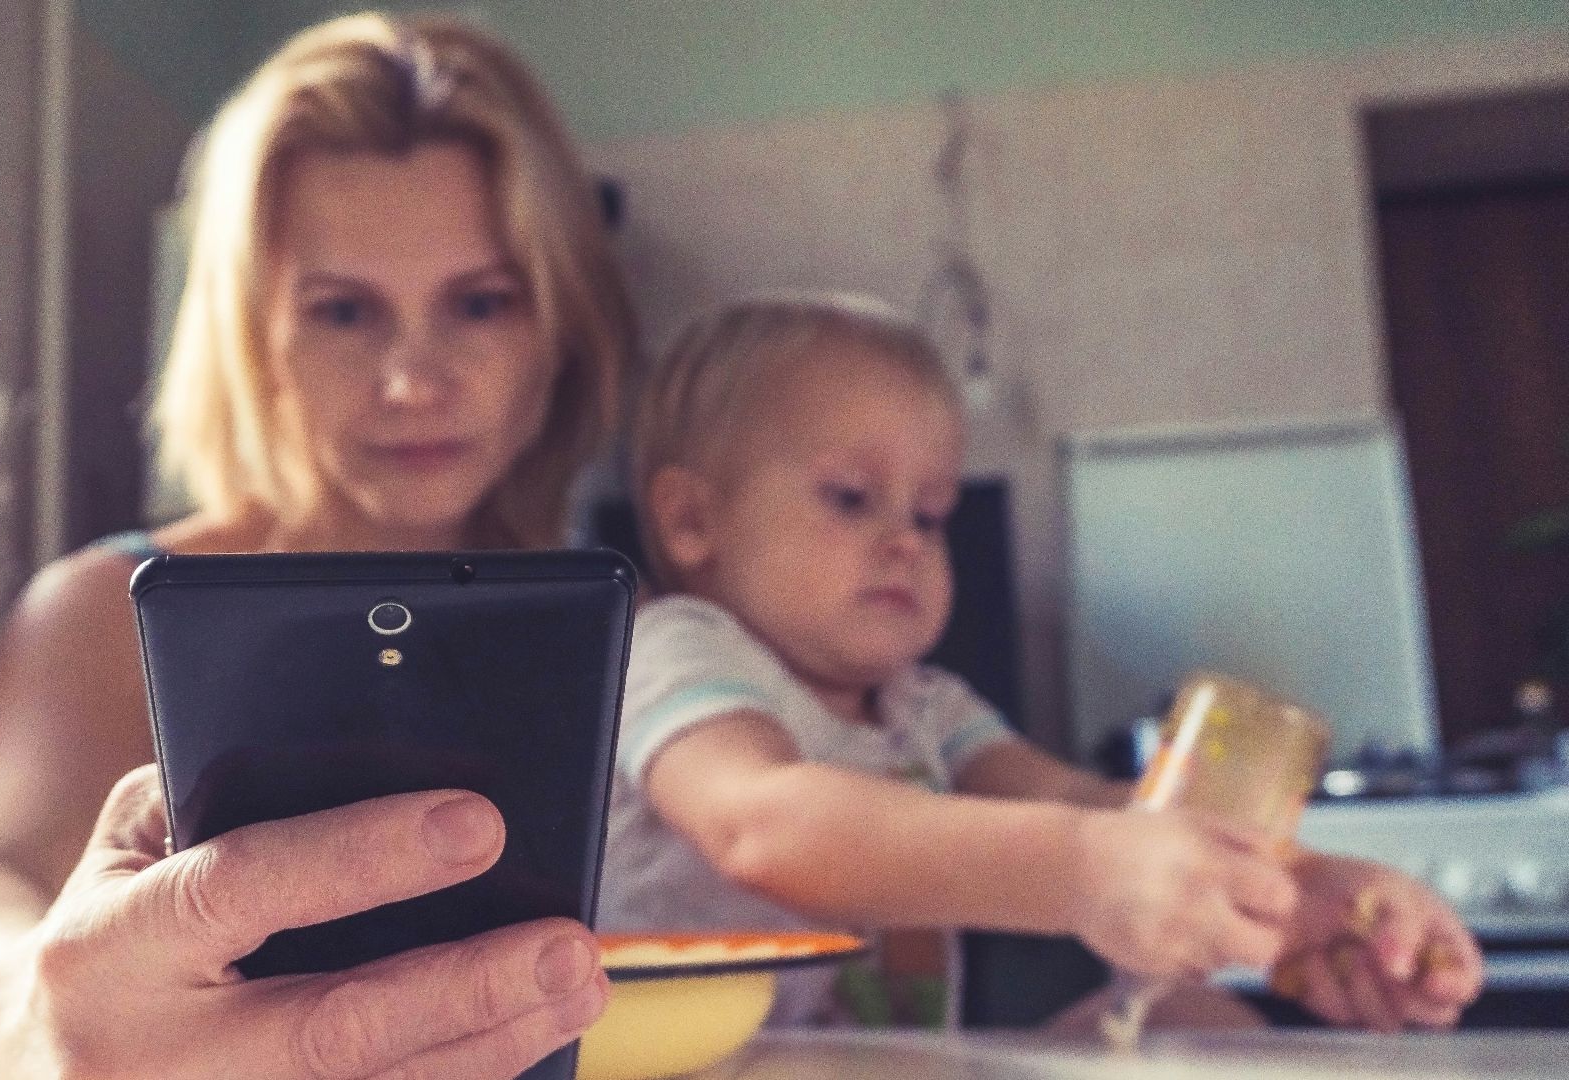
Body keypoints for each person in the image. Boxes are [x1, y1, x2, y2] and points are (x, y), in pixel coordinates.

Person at [0, 13, 636, 1078]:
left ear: (558, 327)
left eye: (482, 302)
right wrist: (19, 1022)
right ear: (251, 336)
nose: (414, 380)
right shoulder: (109, 608)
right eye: (344, 311)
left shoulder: (637, 628)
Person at [598, 293, 1484, 1032]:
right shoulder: (670, 649)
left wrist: (1294, 890)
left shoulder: (924, 706)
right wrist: (1087, 871)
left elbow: (1079, 805)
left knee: (1195, 1018)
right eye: (851, 498)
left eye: (930, 513)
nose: (906, 541)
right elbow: (760, 826)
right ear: (693, 521)